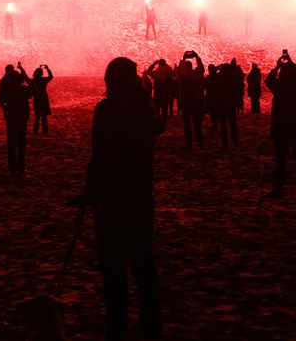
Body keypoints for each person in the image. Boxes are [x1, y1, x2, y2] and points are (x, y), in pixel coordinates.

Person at [80, 57, 163, 340]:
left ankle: (117, 325)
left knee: (113, 268)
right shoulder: (144, 110)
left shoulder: (106, 109)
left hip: (113, 195)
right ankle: (151, 323)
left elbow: (99, 153)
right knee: (143, 262)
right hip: (140, 192)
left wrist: (89, 191)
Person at [265, 50, 296, 198]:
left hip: (281, 127)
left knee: (281, 159)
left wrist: (278, 66)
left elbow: (269, 80)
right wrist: (292, 64)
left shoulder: (279, 89)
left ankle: (279, 188)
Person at [0, 63, 32, 175]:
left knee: (11, 143)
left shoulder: (6, 89)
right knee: (21, 143)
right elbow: (33, 88)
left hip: (10, 116)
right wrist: (24, 73)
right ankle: (21, 168)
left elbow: (1, 96)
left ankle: (12, 168)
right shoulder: (23, 90)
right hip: (22, 118)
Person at [176, 51, 205, 149]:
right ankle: (200, 144)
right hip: (196, 103)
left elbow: (178, 71)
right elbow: (201, 67)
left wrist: (183, 59)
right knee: (197, 126)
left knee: (187, 125)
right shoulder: (196, 75)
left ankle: (189, 145)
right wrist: (197, 56)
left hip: (185, 103)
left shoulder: (182, 78)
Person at [213, 63, 239, 148]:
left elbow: (212, 73)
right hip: (230, 104)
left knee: (223, 125)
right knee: (232, 124)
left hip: (221, 104)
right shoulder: (232, 78)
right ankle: (235, 142)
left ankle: (225, 143)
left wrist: (218, 67)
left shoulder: (219, 78)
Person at [145, 59, 174, 124]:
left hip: (158, 95)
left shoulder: (156, 73)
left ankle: (158, 122)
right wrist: (166, 65)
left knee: (157, 111)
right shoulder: (168, 74)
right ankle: (164, 123)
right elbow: (172, 72)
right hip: (165, 95)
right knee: (164, 112)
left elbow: (149, 71)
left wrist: (154, 64)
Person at [31, 64, 53, 134]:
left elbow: (26, 79)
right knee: (44, 116)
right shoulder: (43, 80)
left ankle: (35, 130)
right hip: (43, 97)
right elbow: (51, 77)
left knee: (37, 116)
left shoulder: (34, 81)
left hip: (37, 98)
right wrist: (48, 69)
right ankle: (45, 130)